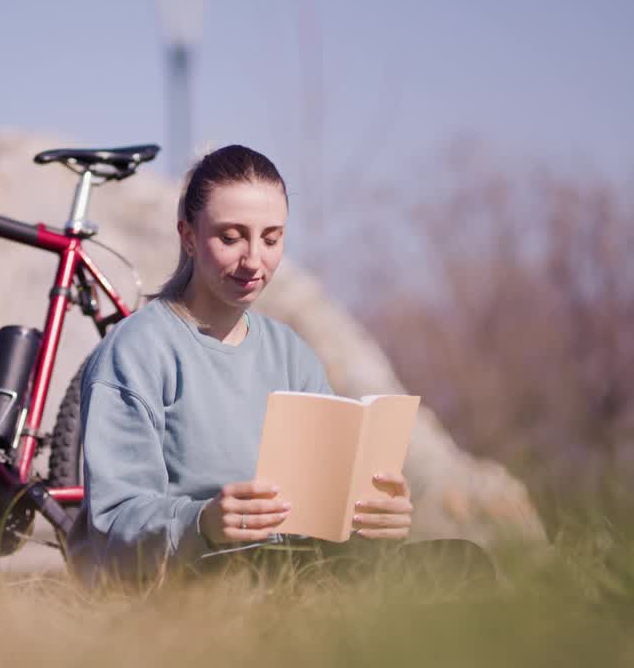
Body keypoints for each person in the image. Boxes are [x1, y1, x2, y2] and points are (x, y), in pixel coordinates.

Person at [66, 145, 417, 587]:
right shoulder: (135, 353)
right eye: (231, 238)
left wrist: (375, 520)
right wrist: (204, 523)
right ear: (188, 236)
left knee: (461, 561)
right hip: (196, 584)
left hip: (294, 569)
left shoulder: (291, 354)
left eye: (271, 239)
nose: (254, 260)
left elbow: (325, 512)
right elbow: (113, 527)